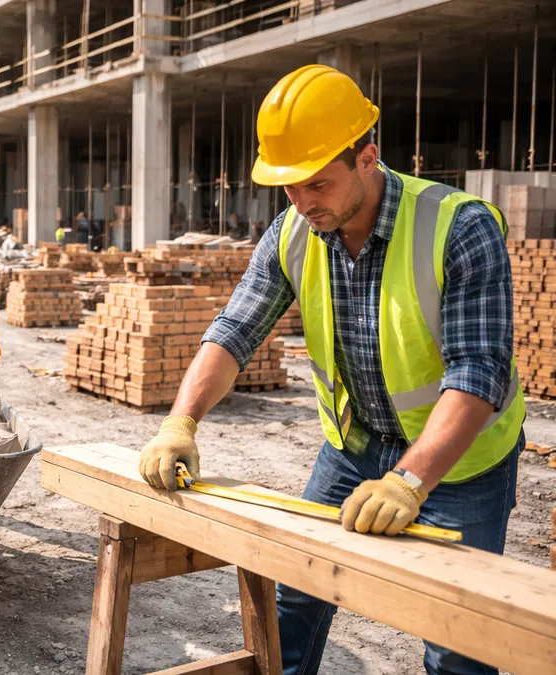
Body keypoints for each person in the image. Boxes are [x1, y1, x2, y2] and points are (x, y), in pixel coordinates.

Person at [137, 65, 523, 675]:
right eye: (287, 187)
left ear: (368, 157)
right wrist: (179, 423)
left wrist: (410, 482)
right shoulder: (293, 231)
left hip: (461, 464)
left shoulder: (459, 227)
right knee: (292, 595)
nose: (301, 202)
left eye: (316, 183)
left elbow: (478, 373)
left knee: (458, 642)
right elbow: (235, 332)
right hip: (353, 448)